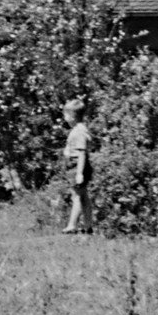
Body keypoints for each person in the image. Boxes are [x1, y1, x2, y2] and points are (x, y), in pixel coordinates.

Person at [62, 98, 92, 234]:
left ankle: (72, 225)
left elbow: (82, 153)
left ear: (73, 116)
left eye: (66, 115)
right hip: (74, 166)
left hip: (78, 167)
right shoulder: (77, 129)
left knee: (77, 197)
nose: (64, 118)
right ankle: (88, 226)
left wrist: (79, 173)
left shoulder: (80, 131)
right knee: (83, 196)